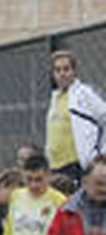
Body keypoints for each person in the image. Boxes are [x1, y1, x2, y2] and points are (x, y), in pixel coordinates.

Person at [45, 49, 106, 184]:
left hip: (76, 165)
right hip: (55, 166)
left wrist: (101, 153)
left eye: (66, 69)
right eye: (57, 70)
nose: (62, 74)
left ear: (74, 71)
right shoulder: (55, 97)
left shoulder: (84, 94)